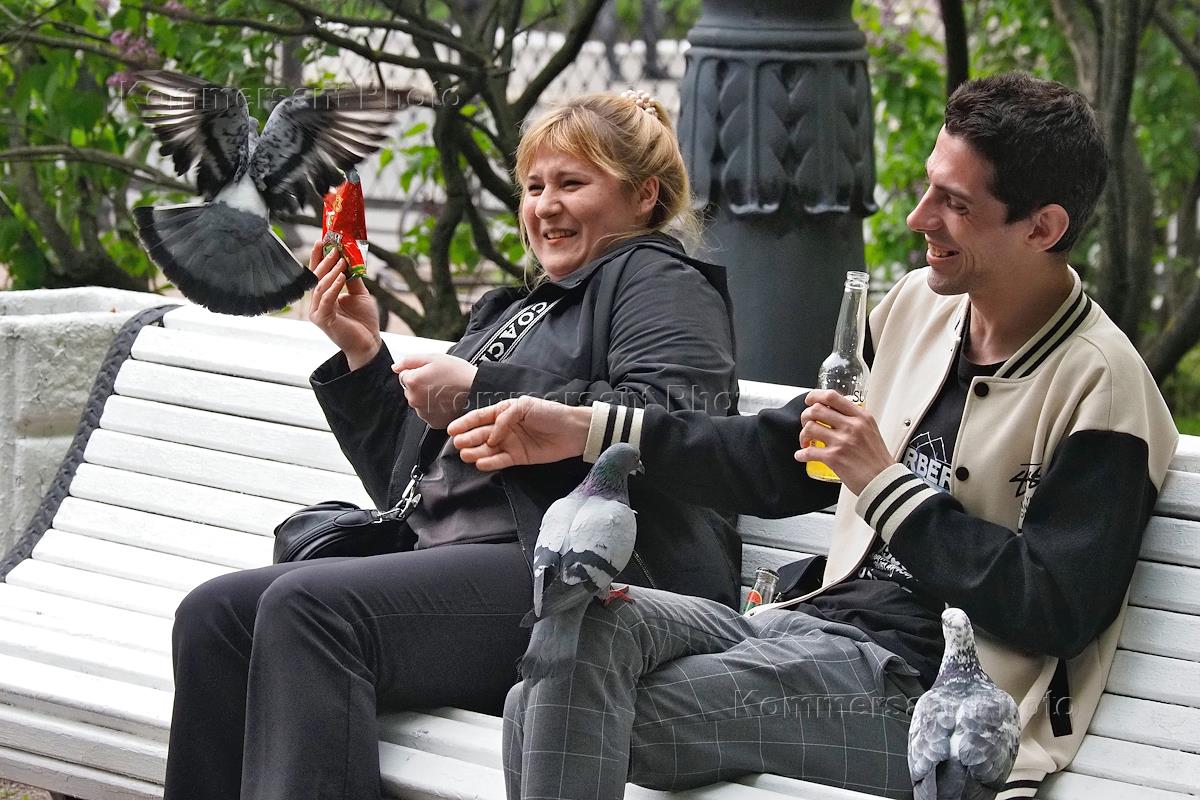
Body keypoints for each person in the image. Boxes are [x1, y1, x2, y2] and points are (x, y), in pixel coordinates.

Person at [448, 73, 1179, 800]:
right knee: (577, 625)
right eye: (929, 188)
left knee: (548, 710)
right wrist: (591, 429)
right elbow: (773, 460)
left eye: (954, 204)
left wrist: (884, 484)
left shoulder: (1104, 388)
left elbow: (1052, 607)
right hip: (808, 628)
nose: (919, 217)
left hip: (931, 700)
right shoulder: (916, 310)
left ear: (1042, 228)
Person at [162, 90, 742, 800]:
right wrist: (363, 354)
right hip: (472, 560)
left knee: (310, 610)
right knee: (215, 615)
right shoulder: (515, 310)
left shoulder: (659, 279)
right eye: (534, 187)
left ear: (644, 195)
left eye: (571, 183)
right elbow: (411, 487)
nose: (545, 206)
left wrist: (482, 388)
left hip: (586, 574)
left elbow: (679, 422)